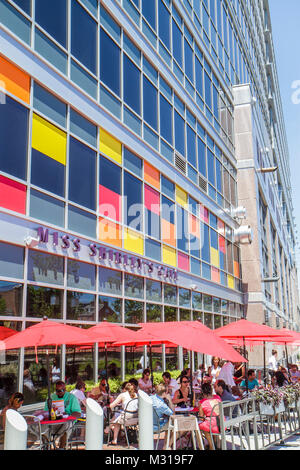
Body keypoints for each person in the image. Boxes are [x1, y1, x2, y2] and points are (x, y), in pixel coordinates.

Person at [43, 380, 81, 449]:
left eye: (62, 390)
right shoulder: (51, 397)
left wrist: (68, 415)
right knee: (43, 428)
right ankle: (46, 447)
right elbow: (45, 411)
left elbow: (78, 413)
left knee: (65, 427)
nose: (59, 392)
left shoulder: (71, 397)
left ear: (65, 389)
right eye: (57, 391)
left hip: (67, 422)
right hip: (53, 422)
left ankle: (61, 447)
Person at [198, 383, 222, 450]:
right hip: (222, 423)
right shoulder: (218, 397)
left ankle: (211, 446)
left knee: (200, 426)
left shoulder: (202, 402)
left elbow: (201, 417)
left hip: (213, 425)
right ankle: (215, 444)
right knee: (210, 423)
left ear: (202, 392)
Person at [151, 384, 174, 449]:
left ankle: (166, 445)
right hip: (157, 425)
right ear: (164, 393)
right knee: (173, 425)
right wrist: (169, 400)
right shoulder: (162, 405)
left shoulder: (151, 398)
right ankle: (167, 446)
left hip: (149, 423)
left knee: (169, 423)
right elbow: (172, 413)